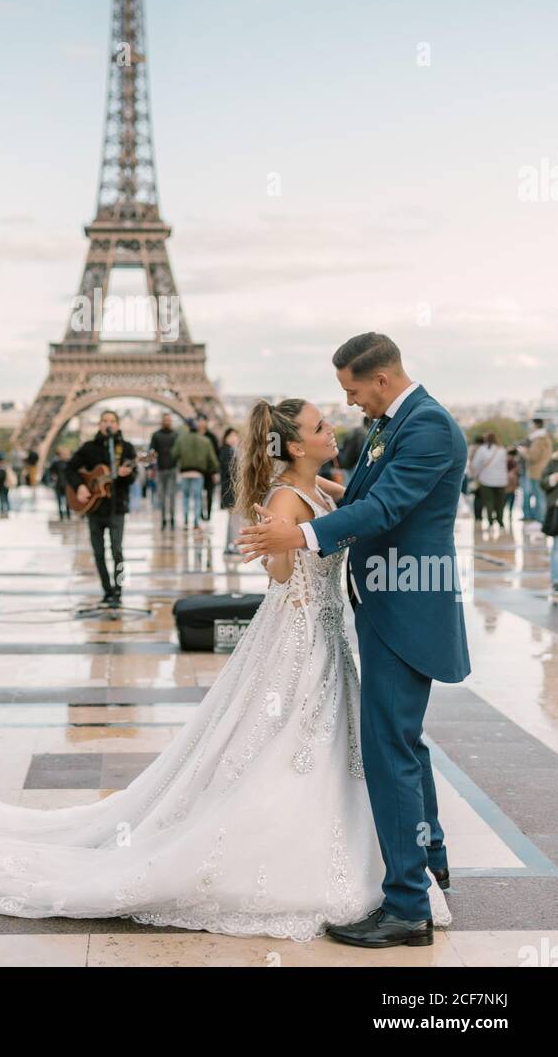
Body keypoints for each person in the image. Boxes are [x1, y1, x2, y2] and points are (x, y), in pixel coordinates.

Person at [0, 362, 453, 942]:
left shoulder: (311, 486)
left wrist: (309, 525)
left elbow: (355, 509)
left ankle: (392, 861)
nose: (335, 425)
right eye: (320, 426)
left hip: (319, 642)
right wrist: (288, 541)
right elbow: (288, 571)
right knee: (305, 745)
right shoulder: (287, 497)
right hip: (304, 640)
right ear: (293, 445)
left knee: (322, 746)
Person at [238, 332, 467, 947]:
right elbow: (371, 498)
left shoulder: (427, 427)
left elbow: (388, 507)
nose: (351, 404)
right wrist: (317, 498)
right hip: (389, 602)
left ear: (381, 380)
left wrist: (301, 537)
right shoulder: (401, 421)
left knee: (389, 748)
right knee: (403, 742)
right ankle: (430, 860)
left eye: (353, 390)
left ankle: (406, 906)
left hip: (405, 606)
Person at [66, 410, 136, 607]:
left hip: (117, 507)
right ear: (99, 424)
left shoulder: (127, 449)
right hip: (94, 508)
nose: (108, 424)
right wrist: (80, 486)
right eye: (104, 420)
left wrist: (125, 474)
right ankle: (107, 590)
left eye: (112, 421)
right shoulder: (89, 448)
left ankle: (119, 590)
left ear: (118, 425)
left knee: (118, 551)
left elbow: (132, 478)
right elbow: (70, 468)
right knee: (97, 552)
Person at [172, 418, 218, 531]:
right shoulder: (205, 440)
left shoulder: (181, 439)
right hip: (198, 473)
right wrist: (213, 470)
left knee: (186, 497)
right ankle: (196, 522)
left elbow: (174, 454)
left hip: (185, 472)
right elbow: (212, 459)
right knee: (197, 498)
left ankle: (186, 520)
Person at [470, 431, 508, 529]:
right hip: (501, 481)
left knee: (489, 502)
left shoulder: (482, 450)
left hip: (486, 480)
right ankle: (500, 521)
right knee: (500, 503)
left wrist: (475, 474)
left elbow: (475, 464)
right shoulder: (502, 449)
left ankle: (490, 522)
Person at [148, 412, 178, 530]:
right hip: (160, 469)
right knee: (162, 496)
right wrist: (151, 468)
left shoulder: (176, 435)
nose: (167, 422)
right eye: (166, 420)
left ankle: (172, 519)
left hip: (172, 469)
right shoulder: (156, 435)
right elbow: (151, 453)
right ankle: (163, 519)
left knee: (171, 496)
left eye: (169, 420)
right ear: (162, 421)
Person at [523, 418, 552, 524]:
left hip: (536, 472)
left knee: (539, 497)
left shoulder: (537, 440)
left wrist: (524, 452)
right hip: (544, 470)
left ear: (535, 426)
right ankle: (543, 519)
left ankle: (541, 520)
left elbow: (533, 457)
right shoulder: (546, 438)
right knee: (541, 497)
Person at [539, 444, 558, 599]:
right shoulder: (552, 463)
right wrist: (553, 478)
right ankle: (556, 580)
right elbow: (543, 483)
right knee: (557, 547)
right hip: (556, 509)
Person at [218, 426, 241, 554]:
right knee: (234, 519)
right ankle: (235, 546)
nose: (234, 438)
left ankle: (228, 545)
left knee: (232, 519)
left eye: (235, 435)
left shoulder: (229, 450)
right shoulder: (228, 451)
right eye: (231, 436)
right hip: (231, 490)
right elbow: (232, 472)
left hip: (229, 489)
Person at [47, 446, 72, 521]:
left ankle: (68, 515)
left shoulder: (69, 463)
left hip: (67, 484)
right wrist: (53, 476)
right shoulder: (56, 463)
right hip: (59, 484)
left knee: (67, 501)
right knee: (59, 501)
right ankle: (61, 515)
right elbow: (51, 471)